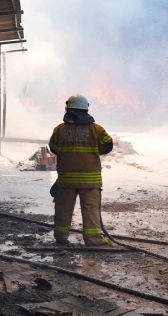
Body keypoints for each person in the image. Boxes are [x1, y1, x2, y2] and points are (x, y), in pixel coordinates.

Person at [48, 94, 113, 246]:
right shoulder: (97, 129)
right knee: (90, 209)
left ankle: (61, 236)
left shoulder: (59, 129)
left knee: (63, 208)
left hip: (66, 179)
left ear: (67, 109)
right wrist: (93, 152)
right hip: (90, 179)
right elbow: (107, 146)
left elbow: (54, 148)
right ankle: (93, 240)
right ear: (86, 109)